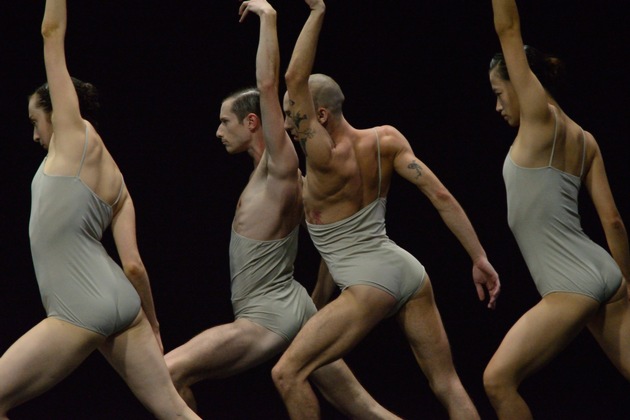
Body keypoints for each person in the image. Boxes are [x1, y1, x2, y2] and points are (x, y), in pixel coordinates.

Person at [164, 1, 398, 418]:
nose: (218, 131)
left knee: (166, 373)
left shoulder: (281, 164)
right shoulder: (273, 175)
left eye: (225, 122)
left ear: (252, 123)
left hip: (267, 315)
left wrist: (268, 19)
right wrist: (319, 299)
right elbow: (330, 237)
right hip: (292, 305)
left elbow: (269, 85)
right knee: (366, 409)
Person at [270, 1, 501, 419]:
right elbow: (442, 197)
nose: (288, 124)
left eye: (292, 114)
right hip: (407, 271)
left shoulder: (321, 153)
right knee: (447, 384)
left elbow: (292, 76)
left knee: (287, 374)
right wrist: (479, 257)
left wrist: (318, 12)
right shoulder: (387, 140)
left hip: (369, 283)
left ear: (318, 115)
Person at [0, 1, 199, 419]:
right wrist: (154, 323)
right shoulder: (118, 182)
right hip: (123, 303)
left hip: (79, 306)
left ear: (57, 110)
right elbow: (134, 267)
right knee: (177, 413)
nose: (35, 135)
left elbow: (51, 35)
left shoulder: (72, 136)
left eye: (35, 121)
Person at [483, 0, 630, 418]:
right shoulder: (586, 139)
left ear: (520, 82)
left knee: (497, 381)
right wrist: (626, 283)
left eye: (498, 93)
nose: (497, 106)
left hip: (572, 283)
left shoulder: (538, 116)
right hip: (605, 272)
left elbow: (507, 26)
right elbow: (613, 221)